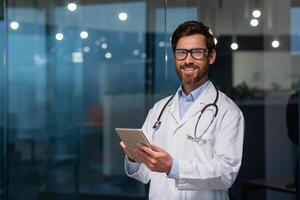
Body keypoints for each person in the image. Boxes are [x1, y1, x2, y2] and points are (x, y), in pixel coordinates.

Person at [120, 20, 244, 200]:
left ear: (211, 56)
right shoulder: (159, 109)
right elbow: (146, 174)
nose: (188, 60)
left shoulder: (228, 111)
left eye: (197, 52)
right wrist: (134, 158)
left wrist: (173, 167)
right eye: (181, 53)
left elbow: (226, 174)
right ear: (175, 57)